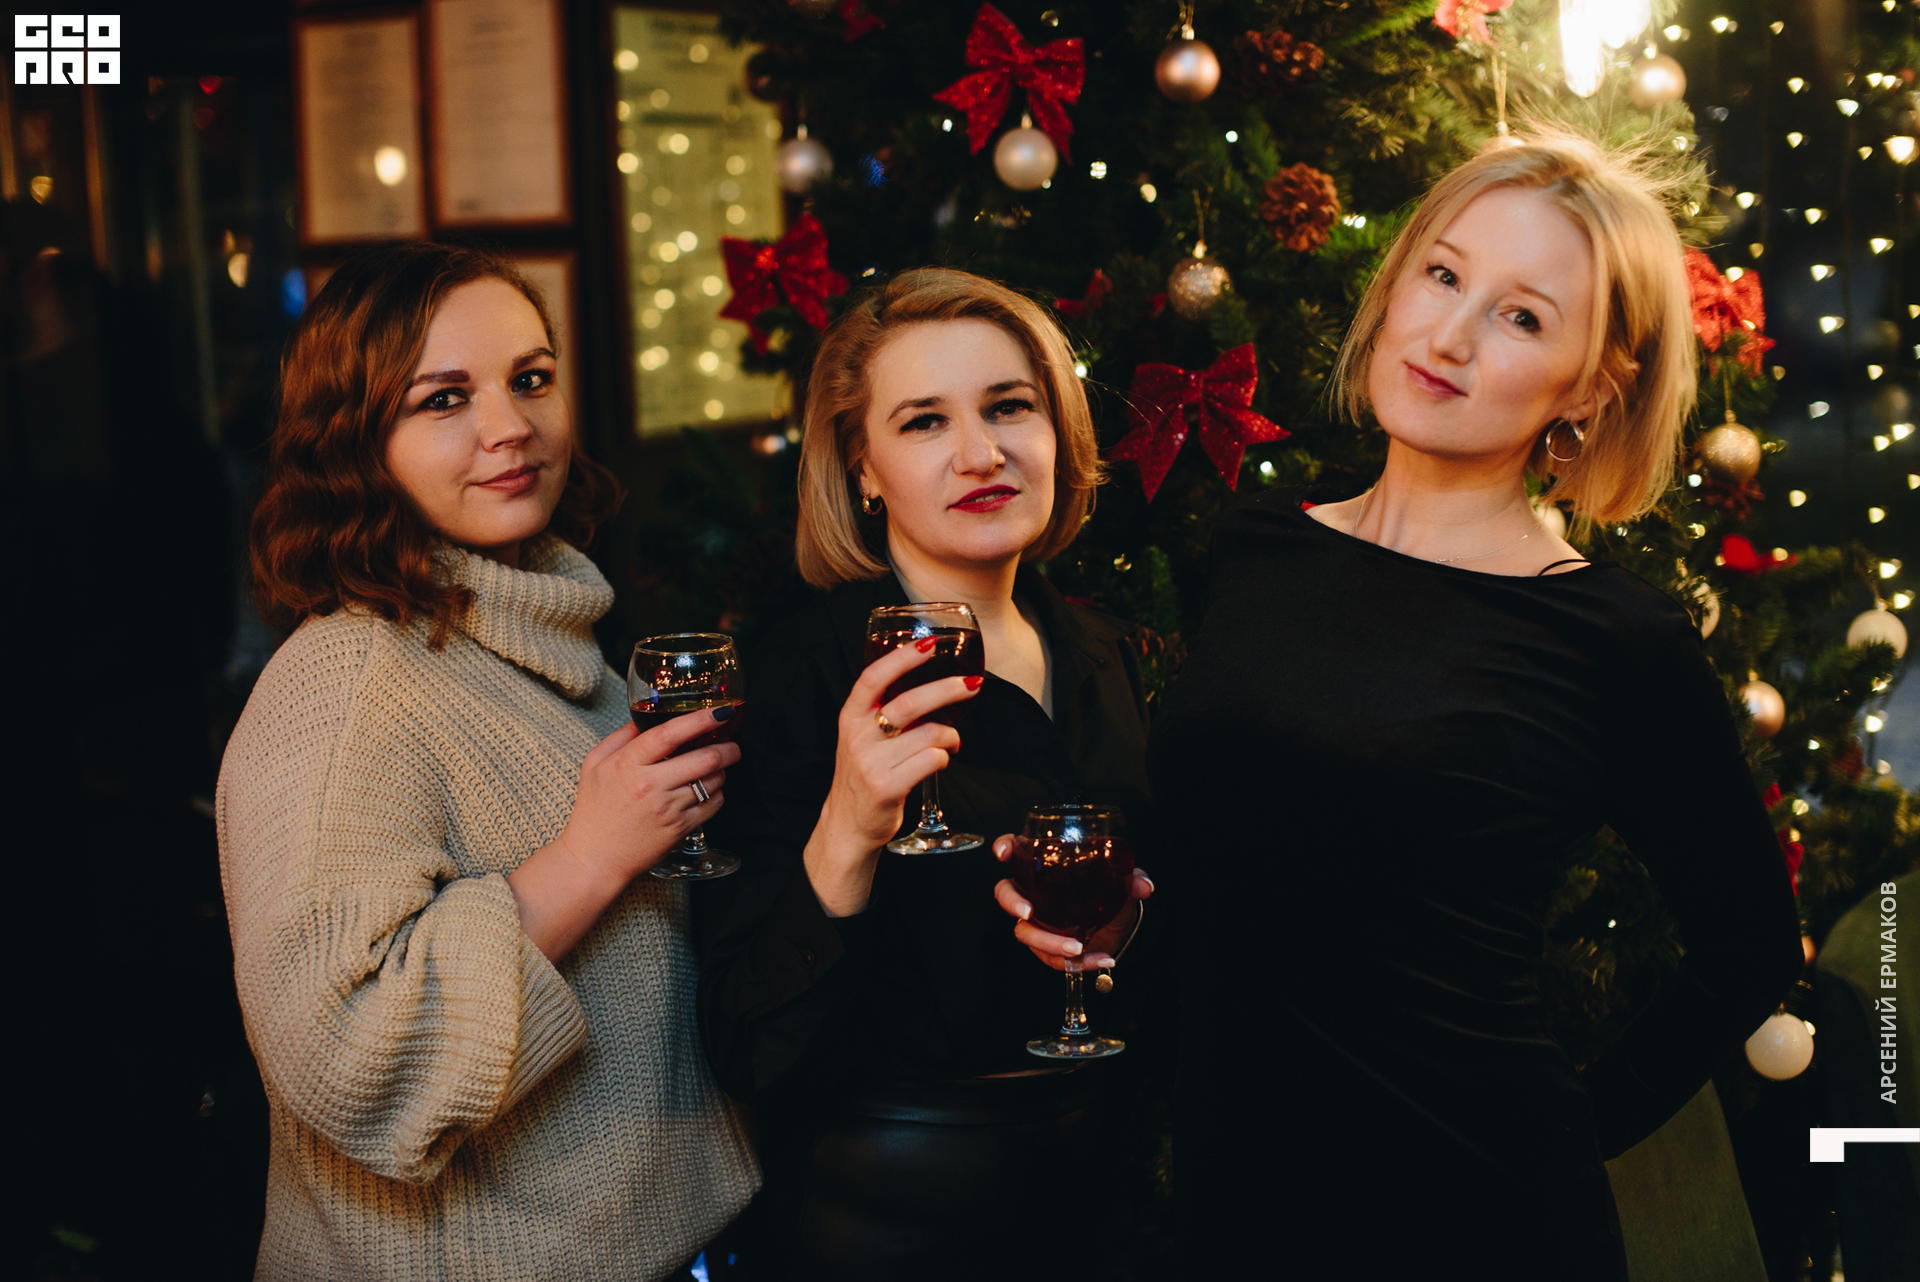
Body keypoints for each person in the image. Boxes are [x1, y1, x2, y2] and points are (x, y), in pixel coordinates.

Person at [1149, 131, 1805, 1276]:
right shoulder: (1258, 549)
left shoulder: (1613, 638)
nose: (1449, 336)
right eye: (1443, 274)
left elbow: (1749, 947)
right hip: (1228, 1203)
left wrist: (1577, 1130)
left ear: (1589, 387)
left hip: (1473, 1219)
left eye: (1522, 317)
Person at [218, 242, 758, 1281]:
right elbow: (344, 1055)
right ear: (356, 440)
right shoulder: (342, 681)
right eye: (444, 398)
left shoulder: (552, 641)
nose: (511, 425)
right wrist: (587, 858)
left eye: (532, 378)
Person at [697, 267, 1158, 1279]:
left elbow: (1166, 957)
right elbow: (748, 1050)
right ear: (862, 469)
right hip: (887, 1226)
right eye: (923, 422)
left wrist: (1116, 933)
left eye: (1010, 406)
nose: (982, 453)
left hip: (1099, 1214)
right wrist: (847, 830)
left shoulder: (1108, 652)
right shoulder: (798, 679)